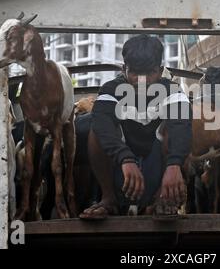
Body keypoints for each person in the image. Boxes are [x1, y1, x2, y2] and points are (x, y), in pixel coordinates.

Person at [80, 34, 192, 219]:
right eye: (135, 73)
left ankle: (160, 200)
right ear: (124, 69)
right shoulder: (110, 89)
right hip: (120, 173)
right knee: (97, 129)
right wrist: (125, 159)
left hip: (158, 172)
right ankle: (109, 199)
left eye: (150, 73)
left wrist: (174, 165)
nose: (142, 80)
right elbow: (102, 123)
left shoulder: (173, 91)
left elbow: (182, 126)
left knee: (181, 131)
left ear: (161, 70)